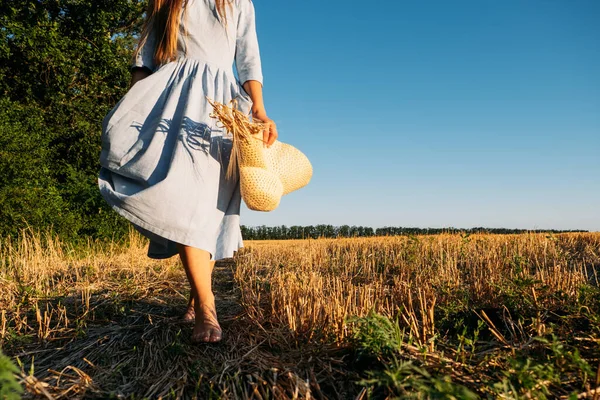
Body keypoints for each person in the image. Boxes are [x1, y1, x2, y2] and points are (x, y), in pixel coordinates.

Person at [98, 0, 277, 343]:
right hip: (173, 99)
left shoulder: (238, 2)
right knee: (184, 196)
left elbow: (248, 56)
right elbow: (145, 57)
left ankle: (197, 299)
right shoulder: (164, 0)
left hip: (222, 105)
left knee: (209, 204)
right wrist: (133, 105)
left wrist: (258, 108)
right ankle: (208, 307)